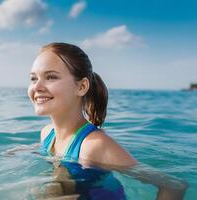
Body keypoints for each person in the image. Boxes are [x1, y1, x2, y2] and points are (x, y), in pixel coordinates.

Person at [28, 42, 188, 199]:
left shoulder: (94, 145)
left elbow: (173, 185)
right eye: (34, 79)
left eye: (51, 77)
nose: (37, 87)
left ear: (82, 87)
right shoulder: (47, 134)